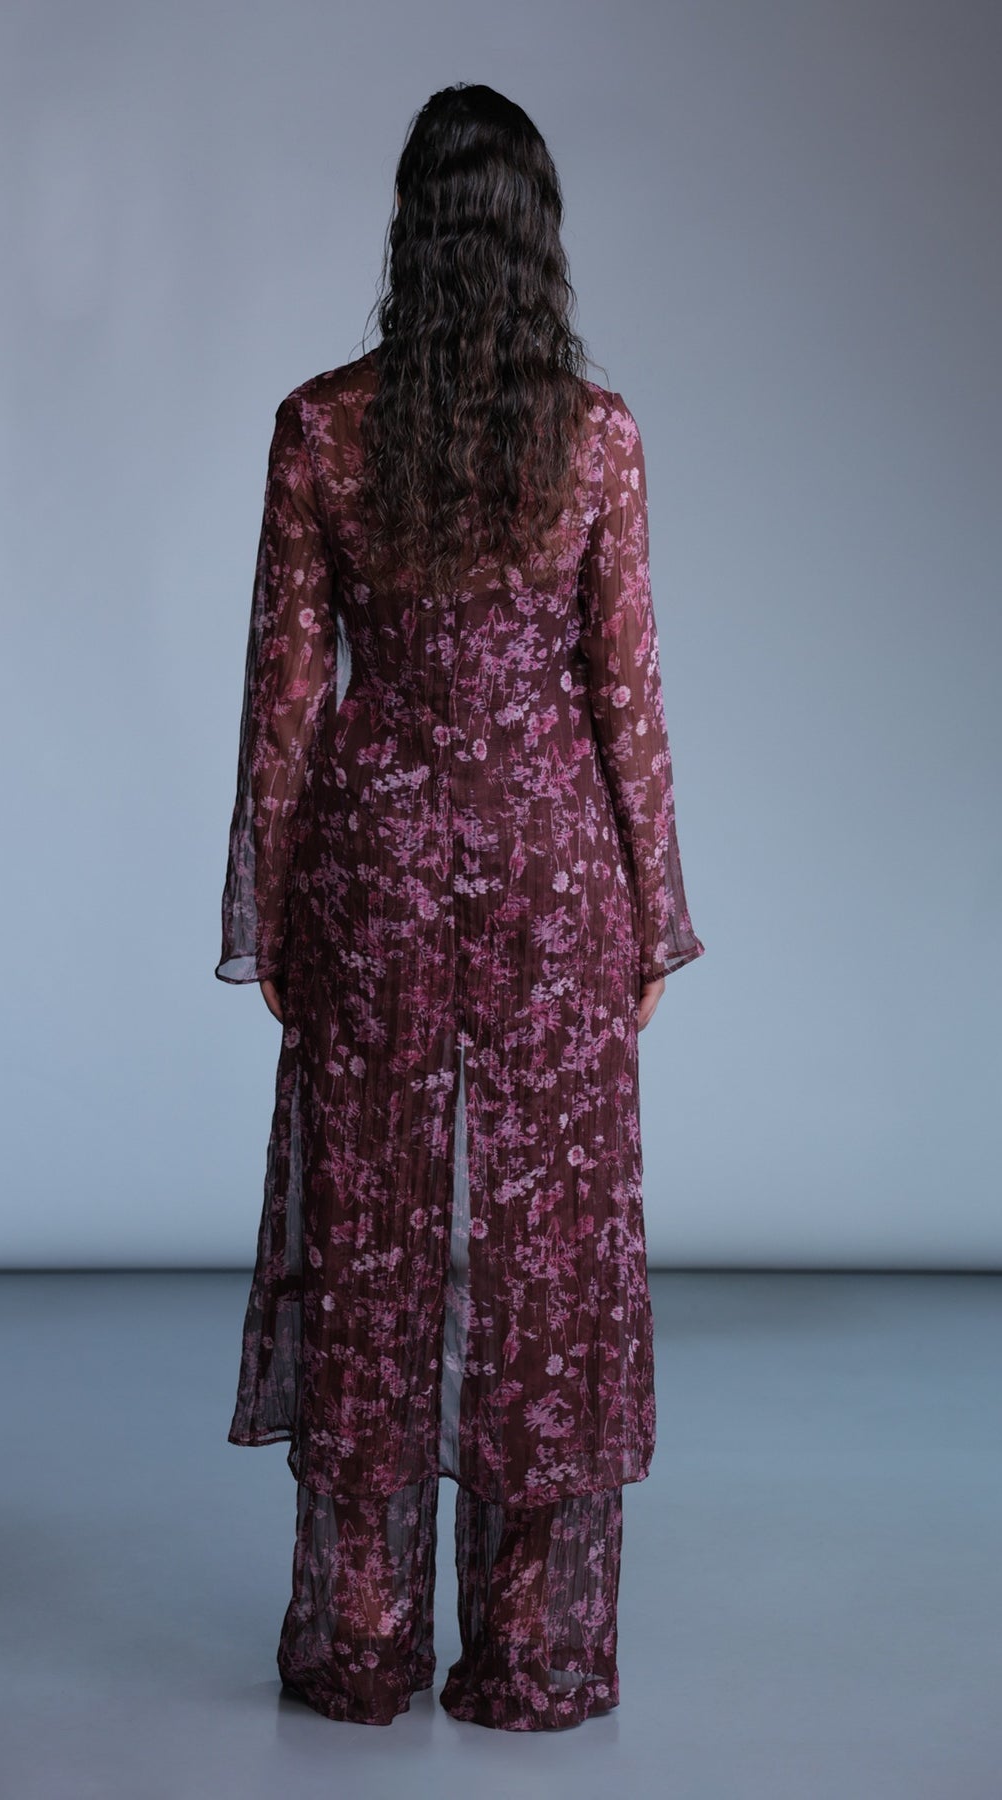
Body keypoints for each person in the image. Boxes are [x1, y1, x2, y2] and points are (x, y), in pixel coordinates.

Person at [215, 81, 706, 1732]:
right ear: (536, 244)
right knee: (544, 1259)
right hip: (555, 878)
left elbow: (285, 702)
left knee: (370, 1239)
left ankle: (360, 1640)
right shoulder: (597, 439)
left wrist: (274, 909)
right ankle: (529, 1649)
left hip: (375, 874)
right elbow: (624, 695)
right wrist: (649, 914)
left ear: (409, 238)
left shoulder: (321, 429)